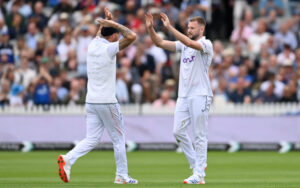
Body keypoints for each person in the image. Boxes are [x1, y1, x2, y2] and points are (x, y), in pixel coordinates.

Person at [57, 8, 138, 184]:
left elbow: (100, 34)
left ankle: (68, 159)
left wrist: (106, 22)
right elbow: (132, 36)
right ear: (114, 35)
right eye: (116, 33)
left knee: (92, 139)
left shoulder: (93, 44)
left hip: (91, 101)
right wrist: (114, 24)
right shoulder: (110, 48)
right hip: (107, 101)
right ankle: (122, 176)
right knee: (119, 139)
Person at [145, 12, 213, 184]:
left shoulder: (206, 44)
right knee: (177, 131)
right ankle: (196, 165)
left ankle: (199, 175)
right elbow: (159, 42)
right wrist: (150, 28)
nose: (189, 30)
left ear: (201, 28)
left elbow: (190, 42)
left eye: (192, 28)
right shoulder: (183, 46)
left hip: (200, 94)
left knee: (199, 135)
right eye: (188, 27)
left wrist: (169, 27)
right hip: (184, 96)